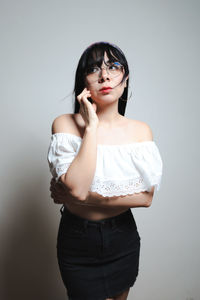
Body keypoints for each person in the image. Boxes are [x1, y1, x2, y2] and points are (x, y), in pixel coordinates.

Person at [47, 41, 163, 300]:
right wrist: (91, 128)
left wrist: (83, 198)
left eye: (114, 66)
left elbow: (146, 198)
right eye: (94, 68)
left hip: (122, 237)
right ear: (83, 81)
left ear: (125, 79)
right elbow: (76, 187)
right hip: (77, 238)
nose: (105, 75)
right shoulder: (65, 124)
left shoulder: (140, 131)